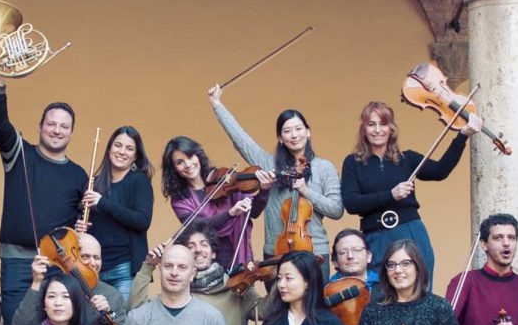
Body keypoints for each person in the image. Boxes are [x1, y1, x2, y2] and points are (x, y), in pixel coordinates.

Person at [0, 81, 89, 309]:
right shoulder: (19, 153)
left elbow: (80, 222)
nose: (57, 130)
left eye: (64, 126)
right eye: (51, 124)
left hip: (58, 264)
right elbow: (0, 124)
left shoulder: (79, 175)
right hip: (16, 262)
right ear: (40, 126)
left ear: (71, 132)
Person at [210, 89, 343, 258]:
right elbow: (241, 140)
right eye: (287, 131)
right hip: (275, 252)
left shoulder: (325, 168)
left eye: (298, 129)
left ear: (308, 132)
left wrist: (306, 191)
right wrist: (217, 105)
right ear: (280, 138)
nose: (294, 135)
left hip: (314, 252)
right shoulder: (269, 164)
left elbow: (336, 210)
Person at [340, 100, 466, 273]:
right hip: (375, 235)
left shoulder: (407, 159)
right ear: (364, 130)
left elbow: (440, 171)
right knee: (379, 292)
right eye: (371, 124)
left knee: (419, 288)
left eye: (383, 124)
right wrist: (390, 195)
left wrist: (462, 136)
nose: (377, 130)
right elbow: (351, 203)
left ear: (391, 128)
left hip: (410, 231)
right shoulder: (352, 162)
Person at [159, 137, 256, 274]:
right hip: (206, 257)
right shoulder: (179, 199)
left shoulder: (224, 180)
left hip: (238, 247)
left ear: (198, 155)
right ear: (174, 168)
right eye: (180, 162)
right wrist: (230, 214)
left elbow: (254, 211)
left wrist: (264, 190)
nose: (188, 164)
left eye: (190, 156)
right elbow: (198, 225)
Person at [86, 126, 154, 288]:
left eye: (129, 148)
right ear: (109, 148)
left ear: (135, 156)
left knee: (122, 314)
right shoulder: (93, 183)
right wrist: (80, 226)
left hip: (124, 269)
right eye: (118, 145)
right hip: (93, 267)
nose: (122, 151)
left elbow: (142, 221)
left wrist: (103, 202)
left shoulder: (139, 181)